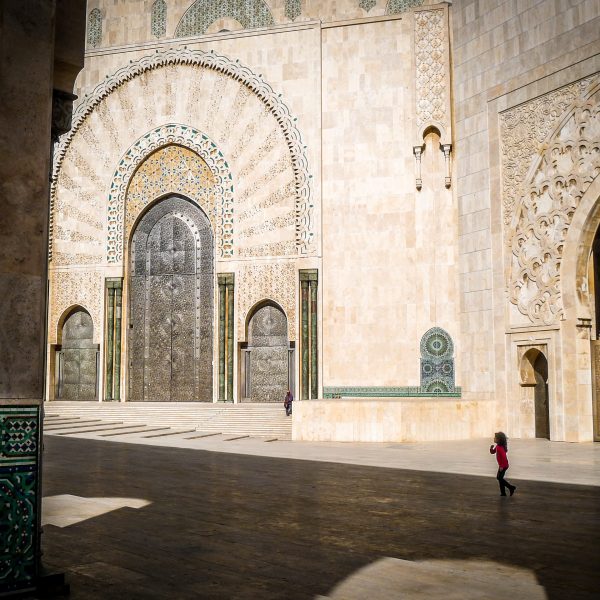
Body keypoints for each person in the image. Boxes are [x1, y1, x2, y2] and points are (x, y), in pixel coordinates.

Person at [490, 432, 516, 496]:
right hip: (502, 465)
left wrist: (501, 466)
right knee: (500, 478)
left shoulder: (500, 447)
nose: (494, 438)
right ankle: (503, 493)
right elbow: (493, 452)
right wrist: (491, 448)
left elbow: (504, 457)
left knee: (499, 478)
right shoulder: (498, 446)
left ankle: (511, 487)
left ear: (499, 439)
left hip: (504, 465)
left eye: (495, 438)